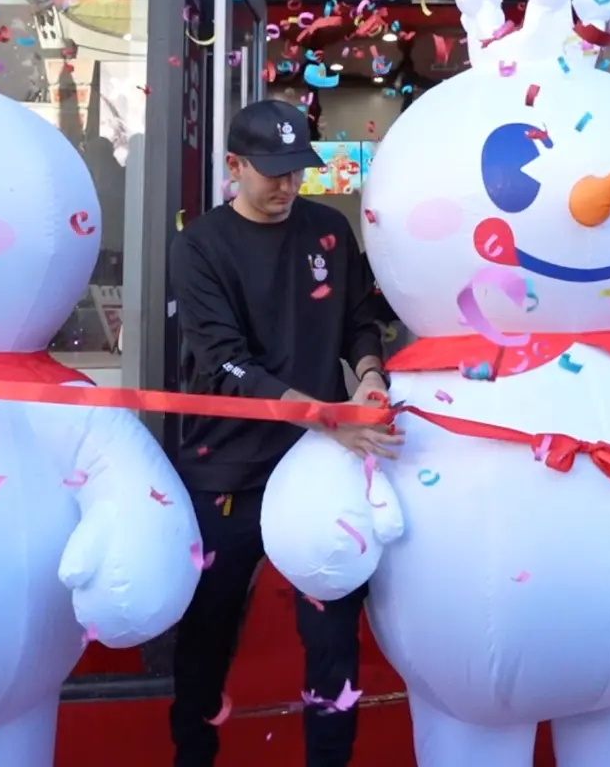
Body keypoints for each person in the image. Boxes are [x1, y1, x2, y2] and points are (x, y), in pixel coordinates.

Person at [167, 98, 401, 767]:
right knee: (208, 628)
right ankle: (193, 752)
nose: (286, 188)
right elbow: (224, 359)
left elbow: (360, 318)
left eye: (296, 172)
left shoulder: (328, 229)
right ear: (235, 166)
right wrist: (329, 416)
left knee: (331, 629)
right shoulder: (200, 245)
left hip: (318, 463)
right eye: (271, 173)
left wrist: (366, 379)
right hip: (227, 465)